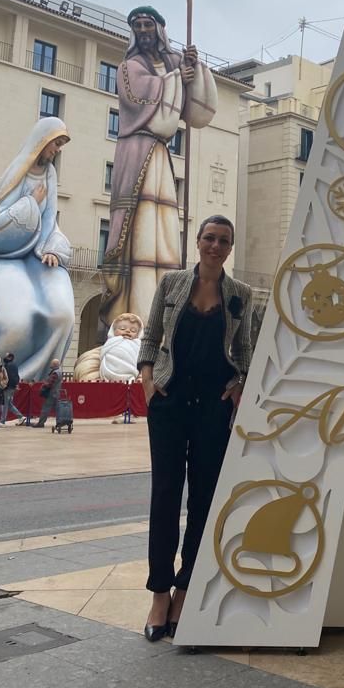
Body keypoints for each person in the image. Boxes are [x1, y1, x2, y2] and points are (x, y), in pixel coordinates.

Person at [137, 215, 252, 642]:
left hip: (213, 408)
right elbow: (150, 338)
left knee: (203, 498)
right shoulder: (172, 285)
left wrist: (239, 382)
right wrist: (149, 383)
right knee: (165, 494)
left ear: (230, 247)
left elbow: (245, 350)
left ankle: (185, 589)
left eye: (223, 240)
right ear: (198, 242)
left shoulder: (241, 294)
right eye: (209, 238)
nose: (215, 246)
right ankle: (158, 594)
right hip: (169, 402)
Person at [99, 6, 218, 330]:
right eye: (137, 24)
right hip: (135, 151)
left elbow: (195, 109)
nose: (143, 29)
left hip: (160, 158)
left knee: (163, 228)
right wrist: (180, 77)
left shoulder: (170, 64)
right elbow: (140, 95)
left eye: (148, 23)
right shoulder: (129, 67)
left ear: (160, 28)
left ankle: (163, 321)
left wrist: (192, 65)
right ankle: (132, 317)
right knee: (137, 230)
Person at [0, 117, 75, 382]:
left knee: (62, 313)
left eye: (61, 144)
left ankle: (36, 377)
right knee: (14, 322)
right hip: (3, 256)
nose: (57, 150)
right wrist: (31, 203)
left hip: (37, 253)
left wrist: (52, 247)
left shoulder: (50, 174)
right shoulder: (17, 171)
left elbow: (51, 218)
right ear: (42, 141)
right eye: (56, 143)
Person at [34, 359, 63, 428]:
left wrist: (44, 385)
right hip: (57, 393)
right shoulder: (60, 372)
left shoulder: (55, 373)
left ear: (54, 365)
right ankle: (59, 423)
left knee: (45, 409)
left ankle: (41, 423)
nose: (50, 365)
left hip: (51, 393)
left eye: (51, 364)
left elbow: (50, 383)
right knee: (57, 409)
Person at [1, 352, 24, 426]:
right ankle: (21, 416)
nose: (5, 357)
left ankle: (2, 421)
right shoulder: (14, 365)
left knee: (5, 404)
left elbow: (8, 377)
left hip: (8, 387)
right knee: (9, 404)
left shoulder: (8, 366)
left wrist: (5, 386)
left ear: (10, 357)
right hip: (12, 387)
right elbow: (16, 376)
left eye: (6, 356)